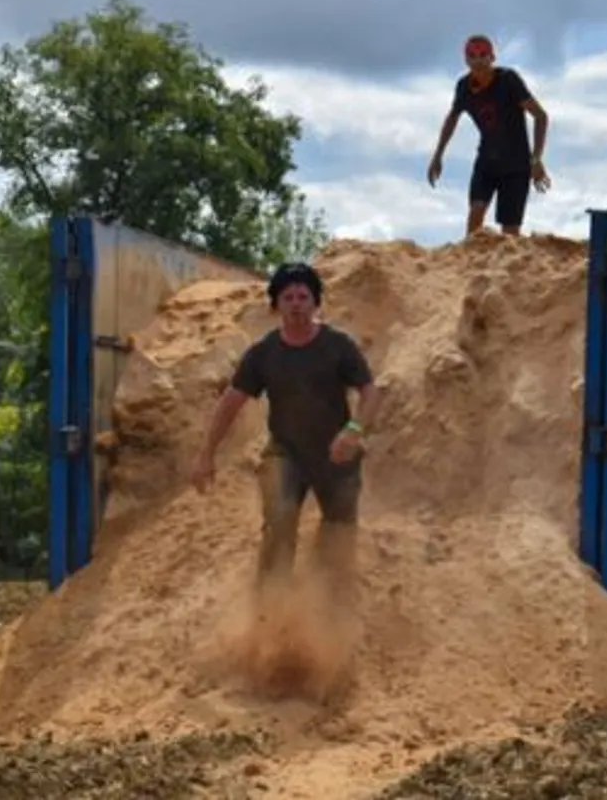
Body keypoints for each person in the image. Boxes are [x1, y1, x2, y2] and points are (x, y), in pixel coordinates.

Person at [191, 262, 381, 599]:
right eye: (288, 296)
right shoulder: (264, 354)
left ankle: (330, 610)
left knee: (339, 535)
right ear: (275, 305)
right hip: (286, 453)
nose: (296, 303)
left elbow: (369, 391)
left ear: (316, 302)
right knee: (279, 524)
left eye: (303, 296)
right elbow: (230, 403)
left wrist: (353, 430)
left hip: (337, 456)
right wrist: (206, 453)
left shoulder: (338, 346)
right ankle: (268, 611)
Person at [427, 34, 551, 237]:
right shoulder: (464, 88)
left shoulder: (508, 81)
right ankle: (468, 266)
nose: (478, 60)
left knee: (510, 231)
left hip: (517, 166)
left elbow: (540, 116)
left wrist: (536, 159)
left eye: (483, 55)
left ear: (492, 57)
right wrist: (438, 155)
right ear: (466, 60)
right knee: (475, 214)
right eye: (472, 56)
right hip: (487, 162)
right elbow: (451, 119)